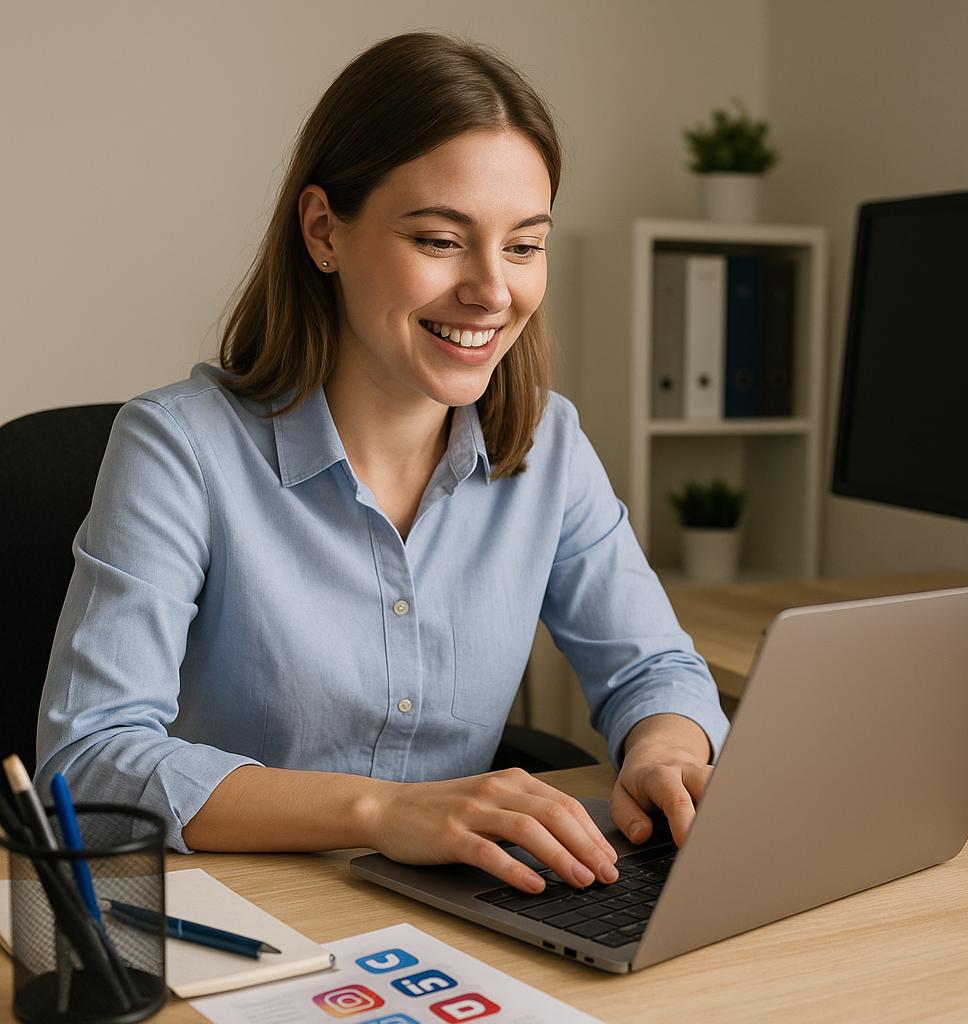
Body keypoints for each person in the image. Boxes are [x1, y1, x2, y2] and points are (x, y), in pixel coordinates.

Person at [35, 32, 729, 896]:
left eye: (523, 245)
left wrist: (664, 750)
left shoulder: (547, 445)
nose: (493, 290)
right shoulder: (179, 446)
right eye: (441, 240)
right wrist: (382, 812)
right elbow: (91, 761)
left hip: (471, 909)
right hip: (252, 916)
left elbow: (653, 668)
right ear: (325, 230)